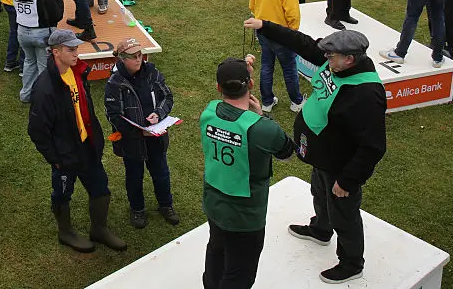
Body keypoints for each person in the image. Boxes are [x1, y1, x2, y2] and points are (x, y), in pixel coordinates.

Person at [242, 24, 386, 285]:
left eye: (331, 57)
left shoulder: (366, 93)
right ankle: (321, 229)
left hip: (341, 167)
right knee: (319, 194)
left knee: (344, 213)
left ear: (350, 59)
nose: (325, 59)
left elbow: (373, 146)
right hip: (323, 156)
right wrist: (266, 26)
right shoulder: (338, 62)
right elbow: (303, 43)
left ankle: (352, 263)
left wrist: (348, 181)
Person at [28, 29, 127, 253]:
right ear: (55, 52)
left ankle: (99, 229)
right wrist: (55, 159)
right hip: (65, 155)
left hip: (87, 146)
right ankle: (66, 233)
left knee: (100, 187)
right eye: (70, 49)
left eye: (76, 48)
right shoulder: (45, 89)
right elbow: (37, 130)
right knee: (62, 193)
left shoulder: (77, 71)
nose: (76, 53)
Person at [199, 57, 295, 289]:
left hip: (214, 204)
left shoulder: (208, 112)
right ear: (251, 85)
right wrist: (261, 115)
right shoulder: (263, 128)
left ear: (218, 87)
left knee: (216, 253)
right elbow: (288, 152)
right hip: (245, 216)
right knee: (239, 275)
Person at [105, 38, 178, 229]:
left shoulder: (152, 72)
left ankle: (166, 205)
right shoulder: (114, 82)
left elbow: (167, 97)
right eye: (133, 57)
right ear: (121, 59)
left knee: (161, 173)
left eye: (140, 55)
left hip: (156, 137)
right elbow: (113, 115)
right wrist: (138, 133)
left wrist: (159, 113)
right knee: (134, 176)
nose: (139, 60)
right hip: (132, 142)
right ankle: (137, 209)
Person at [249, 0, 304, 112]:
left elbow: (252, 6)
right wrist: (293, 32)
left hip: (263, 31)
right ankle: (297, 101)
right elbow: (293, 13)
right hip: (282, 34)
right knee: (289, 68)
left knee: (267, 65)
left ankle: (266, 102)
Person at [12, 0, 63, 103]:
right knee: (43, 67)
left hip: (22, 32)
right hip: (41, 34)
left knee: (29, 62)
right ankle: (43, 98)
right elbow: (56, 15)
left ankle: (26, 94)